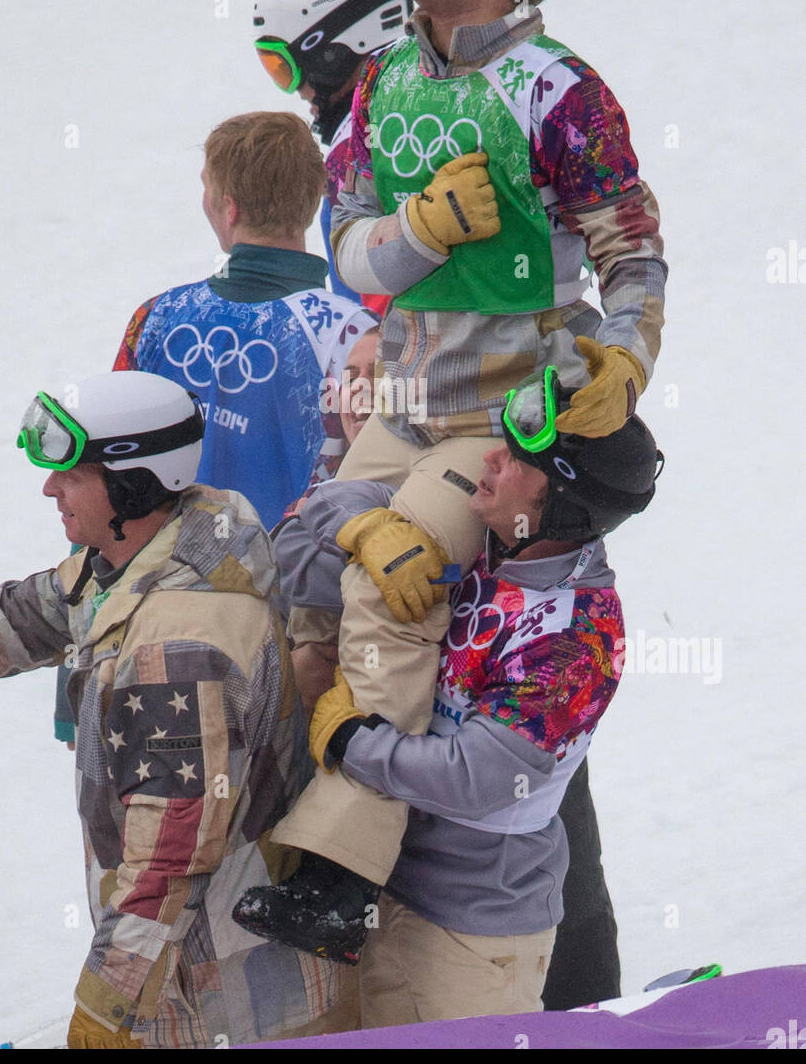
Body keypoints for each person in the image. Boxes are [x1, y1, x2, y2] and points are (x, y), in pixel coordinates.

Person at [234, 0, 667, 965]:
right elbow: (349, 252)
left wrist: (622, 357)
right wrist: (417, 233)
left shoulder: (557, 88)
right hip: (409, 399)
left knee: (396, 580)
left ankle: (336, 873)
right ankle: (281, 833)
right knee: (300, 560)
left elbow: (630, 250)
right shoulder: (386, 84)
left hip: (498, 422)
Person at [0, 372, 341, 1047]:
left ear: (131, 482)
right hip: (184, 964)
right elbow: (13, 620)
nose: (49, 489)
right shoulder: (177, 541)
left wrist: (104, 1010)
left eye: (69, 473)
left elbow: (169, 858)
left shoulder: (179, 651)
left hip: (212, 996)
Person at [257, 369, 663, 1022]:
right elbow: (303, 531)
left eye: (518, 460)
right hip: (387, 889)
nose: (491, 457)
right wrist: (368, 530)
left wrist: (350, 739)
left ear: (559, 505)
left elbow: (477, 779)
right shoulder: (476, 536)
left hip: (475, 933)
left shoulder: (577, 636)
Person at [113, 111, 376, 530]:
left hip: (158, 587)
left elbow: (103, 470)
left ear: (229, 209)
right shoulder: (354, 335)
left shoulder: (155, 319)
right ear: (311, 205)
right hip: (296, 586)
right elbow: (384, 480)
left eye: (207, 189)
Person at [254, 0, 412, 313]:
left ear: (334, 53)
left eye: (286, 68)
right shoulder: (444, 96)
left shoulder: (348, 160)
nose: (296, 90)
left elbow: (373, 317)